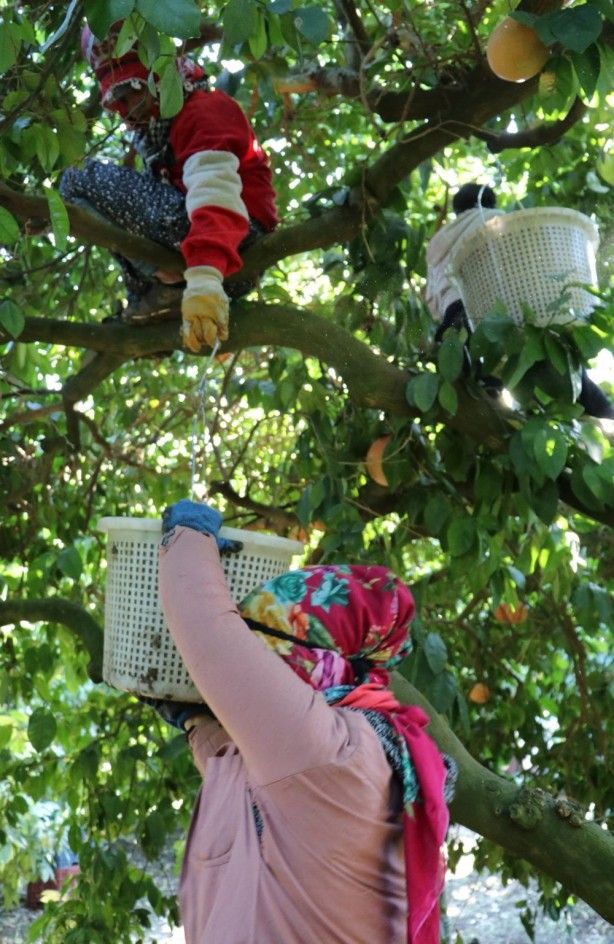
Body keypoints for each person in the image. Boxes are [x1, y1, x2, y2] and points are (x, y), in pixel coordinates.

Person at [144, 499, 457, 944]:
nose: (251, 671)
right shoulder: (338, 747)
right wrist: (196, 723)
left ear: (312, 658)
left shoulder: (329, 752)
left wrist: (188, 538)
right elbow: (242, 777)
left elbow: (207, 629)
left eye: (260, 653)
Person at [60, 21, 279, 353]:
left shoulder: (204, 110)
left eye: (134, 88)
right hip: (208, 255)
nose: (130, 105)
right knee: (91, 203)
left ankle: (167, 284)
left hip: (234, 245)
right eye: (120, 97)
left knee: (77, 178)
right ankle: (158, 298)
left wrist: (205, 278)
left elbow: (215, 195)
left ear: (159, 74)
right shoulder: (157, 132)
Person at [425, 183, 613, 418]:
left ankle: (497, 407)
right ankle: (603, 414)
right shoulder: (494, 219)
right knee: (562, 368)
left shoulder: (435, 245)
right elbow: (522, 264)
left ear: (457, 210)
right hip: (494, 313)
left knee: (483, 381)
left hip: (454, 323)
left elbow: (431, 300)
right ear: (489, 202)